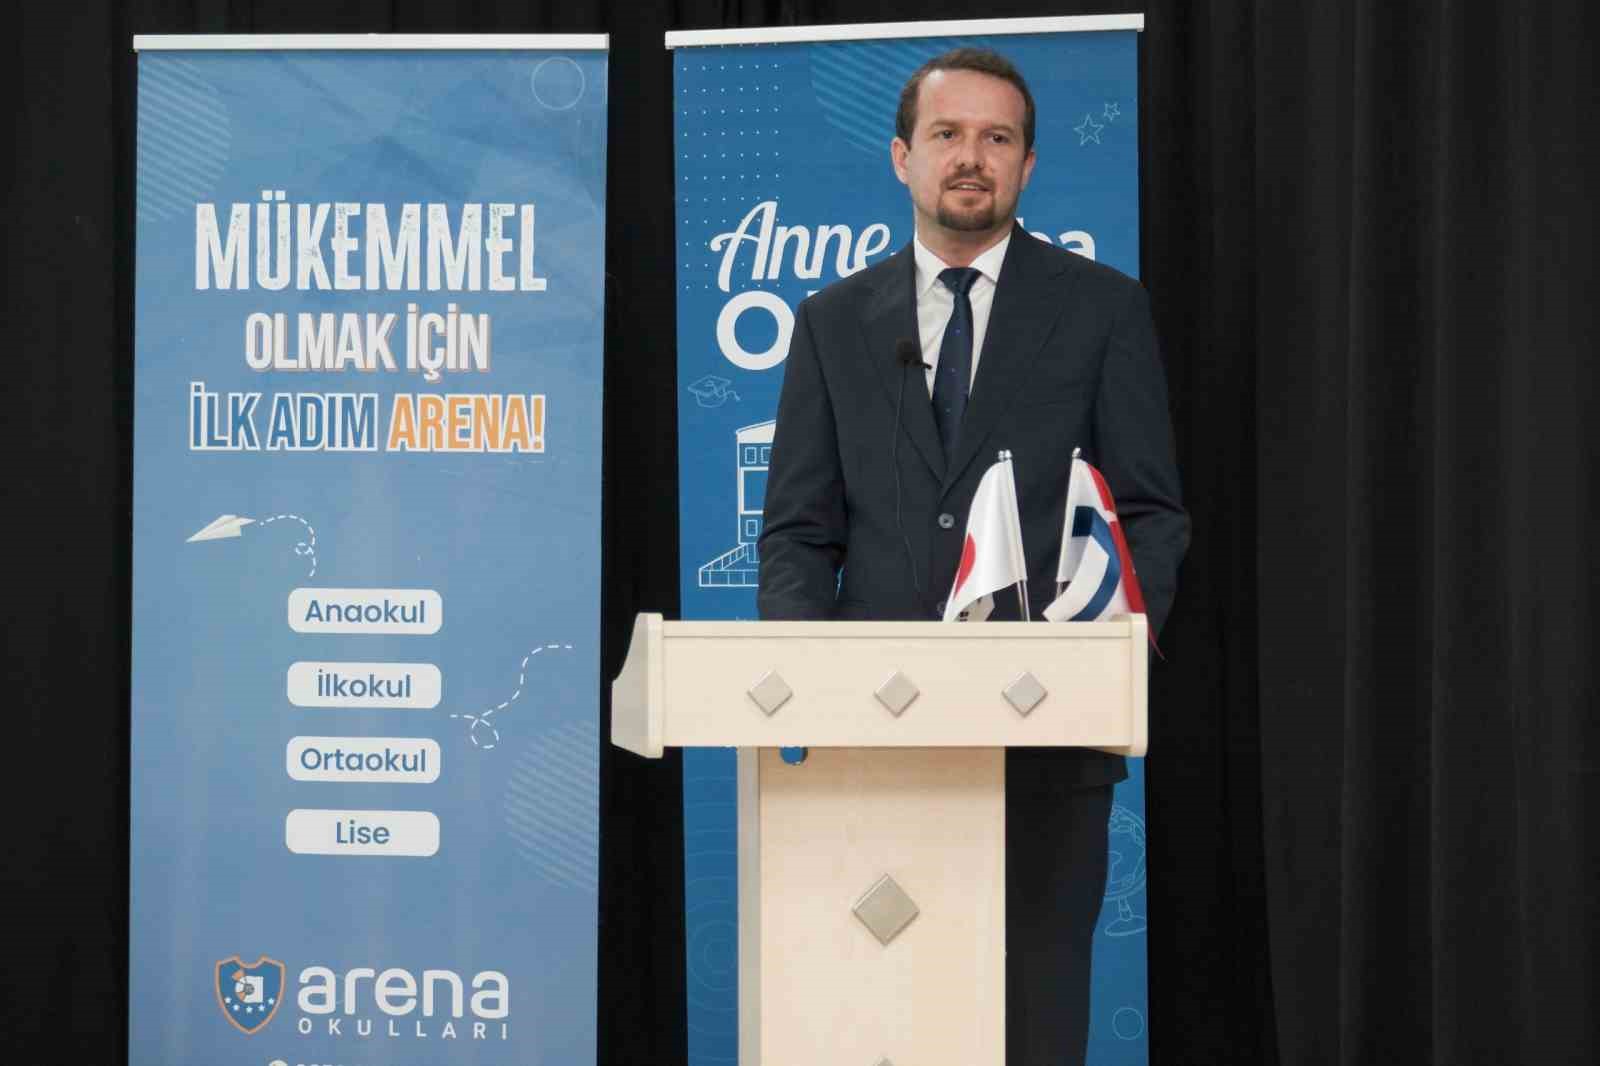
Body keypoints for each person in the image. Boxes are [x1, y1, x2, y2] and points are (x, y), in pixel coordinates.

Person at [756, 48, 1189, 1064]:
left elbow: (1149, 515)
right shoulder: (831, 323)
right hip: (874, 745)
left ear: (1027, 166)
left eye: (997, 138)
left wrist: (1105, 668)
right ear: (901, 156)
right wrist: (809, 686)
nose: (970, 157)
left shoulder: (1102, 308)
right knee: (876, 1020)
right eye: (947, 134)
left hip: (1048, 745)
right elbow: (798, 532)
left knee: (1034, 1018)